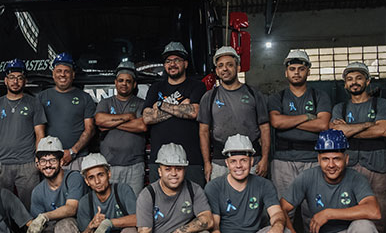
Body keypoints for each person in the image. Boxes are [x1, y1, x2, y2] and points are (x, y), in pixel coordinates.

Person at [330, 61, 386, 233]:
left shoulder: (381, 104)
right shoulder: (340, 107)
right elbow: (337, 133)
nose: (354, 82)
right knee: (348, 213)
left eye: (358, 78)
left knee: (379, 216)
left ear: (367, 81)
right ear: (345, 85)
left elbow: (383, 130)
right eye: (349, 79)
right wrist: (368, 124)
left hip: (378, 165)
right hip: (348, 166)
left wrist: (350, 129)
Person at [198, 46, 270, 181]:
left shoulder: (254, 94)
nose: (225, 69)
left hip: (251, 160)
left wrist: (265, 159)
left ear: (237, 68)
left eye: (229, 65)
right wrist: (207, 163)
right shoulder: (209, 97)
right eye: (220, 66)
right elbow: (203, 131)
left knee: (251, 199)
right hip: (220, 161)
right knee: (218, 200)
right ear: (217, 71)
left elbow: (265, 128)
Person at [268, 50, 331, 198]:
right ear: (286, 72)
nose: (296, 73)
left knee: (313, 208)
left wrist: (288, 121)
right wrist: (308, 117)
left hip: (313, 159)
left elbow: (322, 125)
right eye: (292, 69)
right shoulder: (277, 97)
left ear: (308, 71)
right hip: (283, 160)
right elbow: (276, 122)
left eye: (301, 69)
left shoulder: (319, 96)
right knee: (284, 207)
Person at [142, 42, 207, 184]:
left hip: (191, 160)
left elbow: (194, 112)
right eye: (168, 61)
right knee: (159, 205)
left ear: (185, 63)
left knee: (194, 204)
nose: (172, 64)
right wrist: (180, 107)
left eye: (177, 60)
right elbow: (146, 118)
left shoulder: (197, 85)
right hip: (159, 161)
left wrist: (160, 105)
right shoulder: (156, 87)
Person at [0, 59, 46, 207]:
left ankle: (29, 231)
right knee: (0, 205)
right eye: (11, 77)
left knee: (30, 205)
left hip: (28, 164)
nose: (15, 82)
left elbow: (40, 134)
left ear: (25, 81)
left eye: (19, 78)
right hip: (2, 163)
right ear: (5, 80)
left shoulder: (34, 103)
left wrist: (39, 159)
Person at [93, 60, 147, 196]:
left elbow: (141, 125)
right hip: (110, 166)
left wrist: (111, 123)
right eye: (121, 80)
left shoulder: (141, 103)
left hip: (135, 166)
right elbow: (99, 120)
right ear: (116, 82)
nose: (124, 84)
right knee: (112, 206)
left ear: (134, 84)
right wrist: (128, 116)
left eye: (128, 81)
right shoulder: (105, 102)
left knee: (134, 207)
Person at [37, 53, 96, 170]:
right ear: (53, 74)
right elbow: (38, 131)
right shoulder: (41, 97)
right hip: (50, 160)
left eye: (66, 71)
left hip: (78, 158)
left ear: (73, 74)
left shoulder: (85, 98)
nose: (62, 75)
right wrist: (42, 155)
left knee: (77, 187)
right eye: (59, 71)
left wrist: (72, 152)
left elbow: (90, 129)